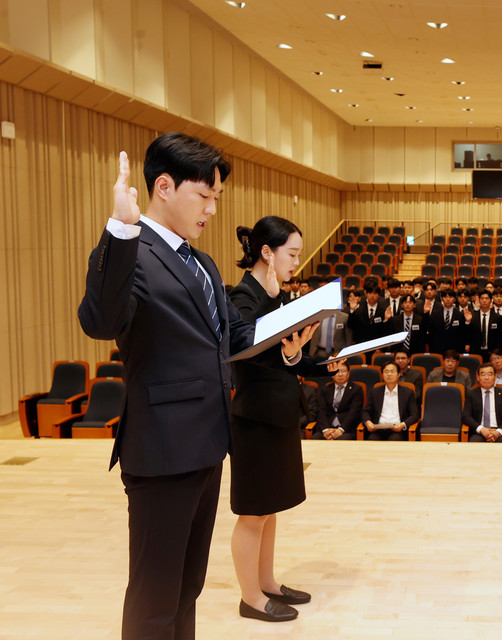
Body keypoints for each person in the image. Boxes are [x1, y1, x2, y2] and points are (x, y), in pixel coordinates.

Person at [77, 134, 315, 638]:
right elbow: (100, 320)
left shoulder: (202, 263)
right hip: (163, 449)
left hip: (207, 446)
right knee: (154, 597)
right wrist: (120, 229)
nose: (212, 209)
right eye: (204, 195)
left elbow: (237, 336)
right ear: (164, 187)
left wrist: (289, 341)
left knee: (187, 589)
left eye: (216, 198)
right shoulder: (133, 250)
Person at [229, 217, 326, 622]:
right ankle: (250, 598)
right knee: (253, 512)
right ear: (267, 253)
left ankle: (267, 582)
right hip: (255, 418)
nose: (296, 263)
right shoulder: (243, 296)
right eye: (292, 254)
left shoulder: (275, 295)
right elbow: (248, 349)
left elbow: (285, 354)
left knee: (269, 510)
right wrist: (273, 306)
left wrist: (321, 362)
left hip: (278, 413)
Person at [362, 361, 419, 441]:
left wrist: (403, 424)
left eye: (392, 371)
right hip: (378, 429)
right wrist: (368, 422)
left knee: (394, 440)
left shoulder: (407, 392)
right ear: (382, 375)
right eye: (386, 371)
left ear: (399, 374)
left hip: (397, 429)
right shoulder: (375, 392)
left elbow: (414, 415)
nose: (389, 374)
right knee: (372, 440)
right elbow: (366, 412)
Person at [463, 363, 502, 442]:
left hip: (500, 431)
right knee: (474, 443)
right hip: (479, 432)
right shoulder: (472, 394)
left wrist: (498, 431)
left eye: (490, 374)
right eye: (483, 374)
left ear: (495, 377)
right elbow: (466, 416)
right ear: (478, 377)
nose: (486, 378)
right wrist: (481, 429)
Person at [314, 361, 364, 440]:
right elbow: (321, 412)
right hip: (327, 429)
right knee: (314, 439)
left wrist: (341, 430)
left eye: (343, 371)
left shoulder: (356, 389)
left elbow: (354, 413)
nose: (340, 374)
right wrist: (326, 430)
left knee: (342, 441)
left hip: (347, 430)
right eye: (337, 371)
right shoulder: (326, 389)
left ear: (348, 373)